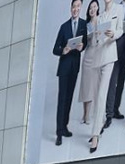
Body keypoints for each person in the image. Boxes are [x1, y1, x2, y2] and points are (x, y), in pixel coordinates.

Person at [84, 0, 122, 153]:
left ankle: (95, 135)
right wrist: (96, 35)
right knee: (96, 95)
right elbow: (94, 41)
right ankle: (98, 125)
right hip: (97, 57)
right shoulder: (99, 17)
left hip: (109, 55)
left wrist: (114, 34)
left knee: (101, 95)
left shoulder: (119, 9)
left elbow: (120, 30)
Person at [52, 0, 87, 147]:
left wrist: (82, 47)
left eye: (78, 6)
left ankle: (64, 127)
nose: (75, 9)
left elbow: (85, 43)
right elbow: (55, 49)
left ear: (80, 8)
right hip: (64, 67)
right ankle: (59, 133)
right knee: (62, 100)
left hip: (74, 67)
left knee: (69, 98)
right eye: (73, 6)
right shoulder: (64, 26)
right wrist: (63, 50)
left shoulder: (83, 24)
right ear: (71, 8)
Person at [78, 0, 103, 128]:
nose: (92, 9)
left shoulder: (102, 21)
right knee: (86, 86)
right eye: (90, 8)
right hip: (88, 56)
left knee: (93, 86)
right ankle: (85, 114)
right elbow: (83, 42)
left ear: (98, 8)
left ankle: (90, 114)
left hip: (98, 56)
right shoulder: (86, 25)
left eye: (94, 6)